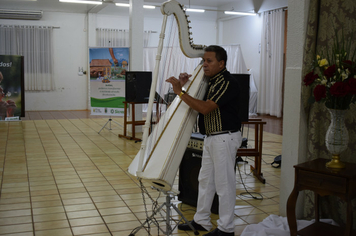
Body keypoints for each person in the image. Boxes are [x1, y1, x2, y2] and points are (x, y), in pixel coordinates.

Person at [166, 45, 242, 236]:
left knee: (224, 184)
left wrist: (181, 92)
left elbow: (205, 108)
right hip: (211, 138)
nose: (204, 65)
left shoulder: (227, 82)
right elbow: (193, 100)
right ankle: (202, 221)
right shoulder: (208, 80)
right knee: (205, 181)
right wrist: (184, 86)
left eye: (209, 61)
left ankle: (226, 228)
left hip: (224, 137)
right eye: (203, 61)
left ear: (221, 63)